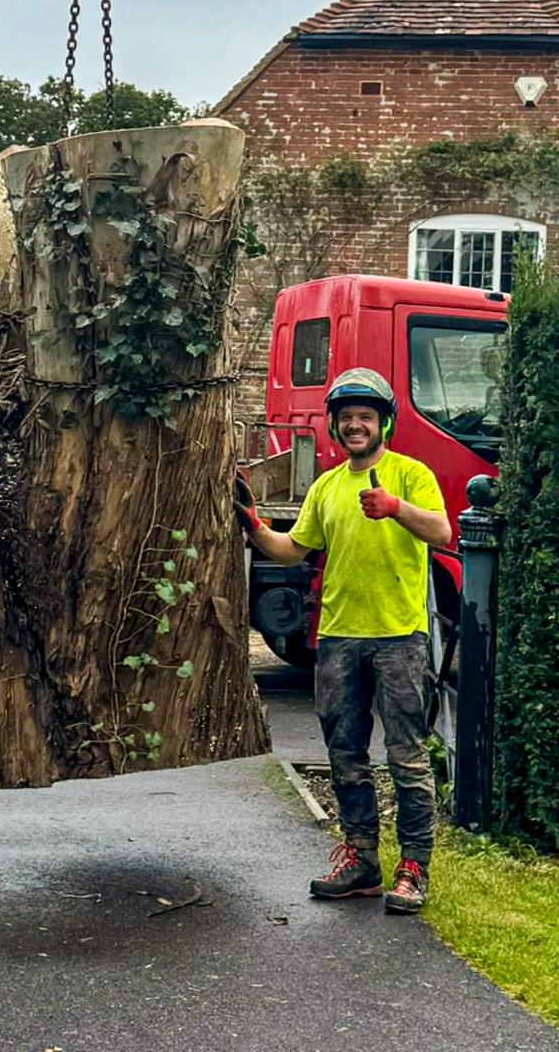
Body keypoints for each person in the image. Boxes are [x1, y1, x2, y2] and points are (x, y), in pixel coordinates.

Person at [237, 367, 449, 914]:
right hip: (337, 639)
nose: (356, 426)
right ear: (335, 426)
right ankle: (360, 861)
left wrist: (396, 509)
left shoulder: (409, 474)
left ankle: (414, 867)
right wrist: (255, 526)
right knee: (345, 756)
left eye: (366, 418)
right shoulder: (328, 486)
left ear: (384, 425)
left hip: (398, 638)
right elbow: (294, 549)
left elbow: (442, 532)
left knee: (405, 756)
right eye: (347, 418)